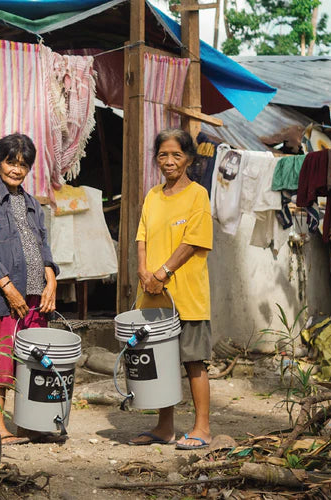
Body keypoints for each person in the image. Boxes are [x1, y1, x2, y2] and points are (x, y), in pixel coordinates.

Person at [0, 133, 59, 445]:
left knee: (32, 361)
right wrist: (8, 288)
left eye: (23, 164)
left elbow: (43, 245)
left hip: (36, 298)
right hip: (3, 300)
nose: (16, 169)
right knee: (2, 361)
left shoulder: (34, 205)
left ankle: (28, 424)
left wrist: (51, 279)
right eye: (11, 162)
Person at [129, 128, 213, 450]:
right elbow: (142, 237)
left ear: (189, 159)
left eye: (176, 155)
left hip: (187, 296)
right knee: (161, 360)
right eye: (163, 155)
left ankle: (202, 428)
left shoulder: (198, 195)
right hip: (152, 293)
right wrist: (142, 270)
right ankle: (165, 428)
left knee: (194, 361)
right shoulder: (152, 196)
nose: (169, 161)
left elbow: (193, 241)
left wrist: (162, 271)